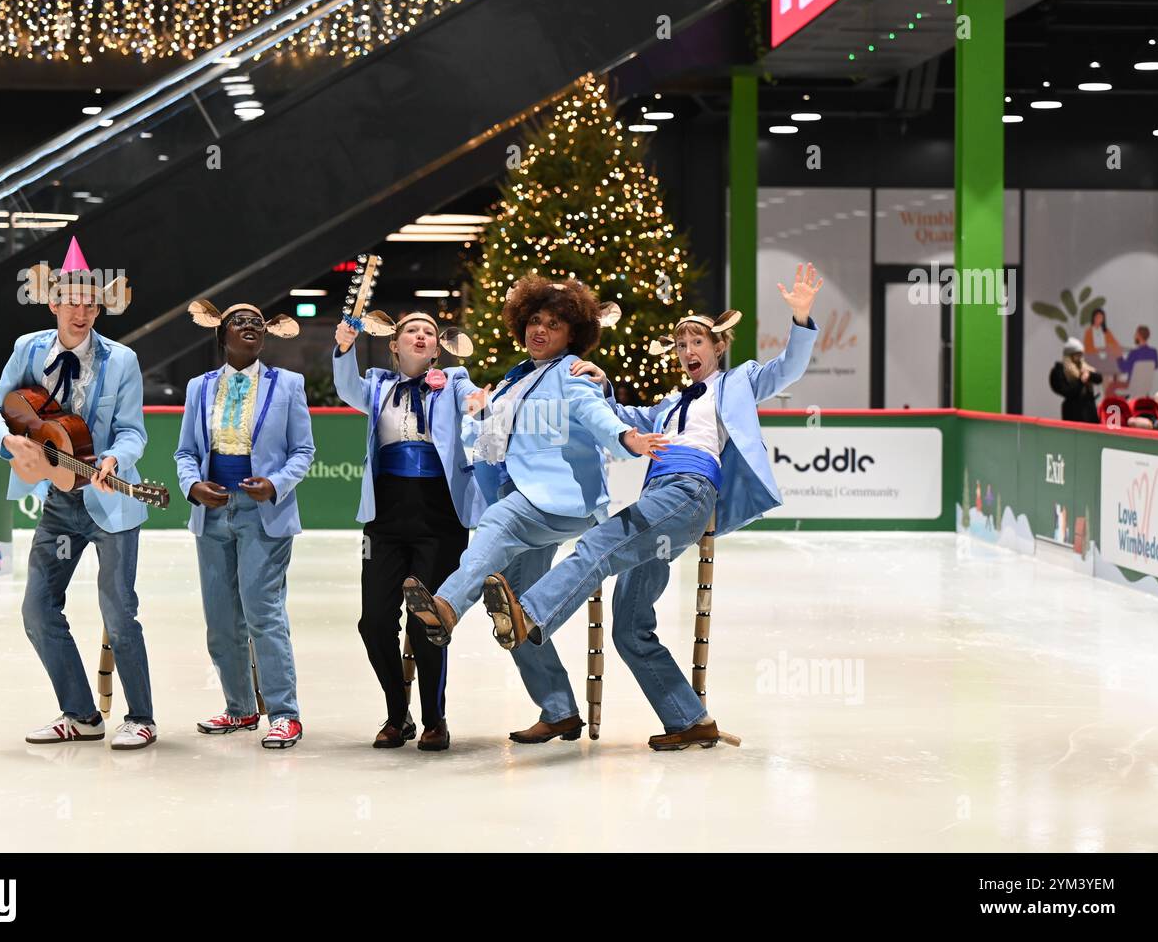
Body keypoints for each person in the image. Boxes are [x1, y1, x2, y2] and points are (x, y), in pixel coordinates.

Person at [479, 263, 822, 750]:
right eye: (681, 345)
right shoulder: (667, 404)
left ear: (717, 346)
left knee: (598, 543)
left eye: (696, 342)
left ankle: (530, 613)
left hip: (689, 493)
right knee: (631, 625)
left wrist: (801, 320)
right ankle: (689, 718)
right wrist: (599, 382)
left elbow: (786, 369)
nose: (687, 352)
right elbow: (617, 420)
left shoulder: (736, 384)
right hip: (659, 502)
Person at [402, 275, 667, 745]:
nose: (540, 330)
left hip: (558, 498)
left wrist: (628, 439)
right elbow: (485, 443)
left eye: (555, 324)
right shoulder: (514, 377)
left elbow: (597, 415)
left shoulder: (572, 373)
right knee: (512, 610)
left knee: (498, 523)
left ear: (573, 335)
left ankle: (444, 606)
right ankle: (559, 710)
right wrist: (482, 412)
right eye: (535, 321)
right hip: (522, 492)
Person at [0, 235, 157, 750]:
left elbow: (133, 431)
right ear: (54, 303)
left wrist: (113, 459)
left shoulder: (121, 360)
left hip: (111, 503)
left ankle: (140, 717)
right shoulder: (28, 350)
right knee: (37, 610)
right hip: (59, 499)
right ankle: (80, 714)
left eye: (90, 304)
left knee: (119, 613)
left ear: (99, 307)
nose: (81, 313)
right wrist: (10, 440)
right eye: (71, 302)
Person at [333, 309, 481, 750]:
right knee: (373, 621)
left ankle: (435, 717)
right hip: (386, 515)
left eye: (429, 332)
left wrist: (481, 401)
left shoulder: (454, 381)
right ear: (394, 345)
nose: (421, 336)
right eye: (411, 331)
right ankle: (397, 714)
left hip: (440, 514)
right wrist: (344, 348)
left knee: (426, 621)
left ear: (437, 347)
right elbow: (346, 387)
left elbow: (475, 399)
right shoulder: (376, 384)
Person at [175, 299, 314, 750]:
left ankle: (284, 714)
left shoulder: (288, 384)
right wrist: (193, 485)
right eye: (240, 320)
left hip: (263, 514)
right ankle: (239, 708)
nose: (251, 325)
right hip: (211, 513)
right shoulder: (199, 387)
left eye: (257, 321)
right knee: (220, 620)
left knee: (263, 613)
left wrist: (275, 484)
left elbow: (303, 452)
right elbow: (184, 453)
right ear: (222, 335)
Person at [1049, 337, 1102, 423]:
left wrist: (1089, 375)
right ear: (1070, 355)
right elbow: (1067, 391)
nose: (1080, 357)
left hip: (1089, 412)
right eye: (1077, 354)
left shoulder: (1083, 366)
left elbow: (1099, 378)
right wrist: (1081, 381)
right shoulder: (1059, 371)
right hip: (1073, 413)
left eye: (1081, 354)